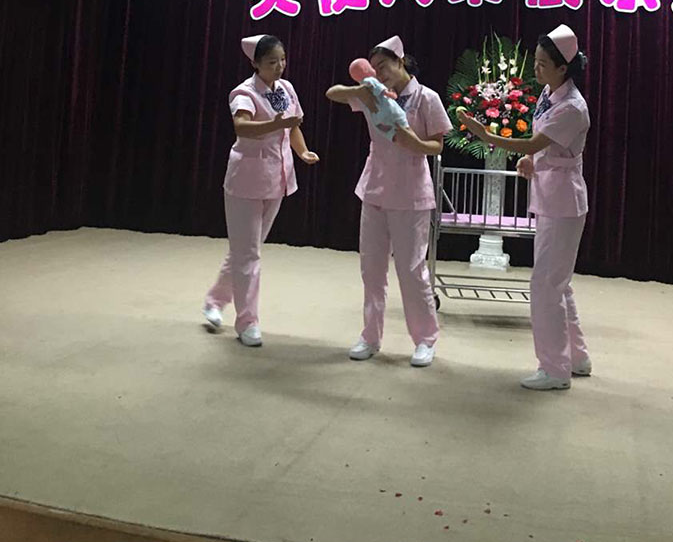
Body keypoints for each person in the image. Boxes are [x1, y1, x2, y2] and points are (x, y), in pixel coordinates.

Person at [458, 23, 591, 391]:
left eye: (543, 64)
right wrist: (533, 161)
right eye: (536, 61)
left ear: (563, 68)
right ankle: (576, 357)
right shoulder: (550, 94)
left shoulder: (572, 107)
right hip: (551, 195)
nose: (536, 69)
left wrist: (488, 135)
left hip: (563, 201)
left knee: (547, 285)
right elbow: (545, 146)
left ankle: (555, 369)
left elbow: (534, 143)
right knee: (558, 284)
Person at [325, 35, 451, 368]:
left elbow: (437, 145)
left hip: (411, 192)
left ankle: (425, 339)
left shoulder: (427, 98)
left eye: (384, 67)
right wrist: (359, 90)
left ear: (401, 62)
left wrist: (413, 142)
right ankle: (370, 336)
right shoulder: (373, 92)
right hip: (375, 187)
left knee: (411, 270)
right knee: (371, 268)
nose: (380, 74)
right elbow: (332, 93)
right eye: (375, 68)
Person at [202, 34, 318, 346]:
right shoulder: (244, 92)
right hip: (246, 181)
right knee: (248, 253)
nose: (279, 66)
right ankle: (247, 322)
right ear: (256, 64)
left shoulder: (286, 88)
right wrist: (276, 125)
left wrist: (303, 152)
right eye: (271, 62)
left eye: (282, 60)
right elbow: (241, 126)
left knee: (246, 250)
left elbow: (293, 126)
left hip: (277, 178)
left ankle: (214, 301)